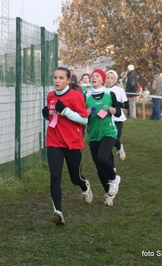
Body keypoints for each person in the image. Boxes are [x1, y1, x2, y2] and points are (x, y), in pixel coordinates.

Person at [42, 67, 93, 226]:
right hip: (54, 141)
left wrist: (65, 111)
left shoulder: (76, 96)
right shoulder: (50, 96)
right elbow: (53, 117)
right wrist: (46, 115)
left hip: (72, 143)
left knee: (74, 177)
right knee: (55, 176)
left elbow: (84, 120)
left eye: (61, 78)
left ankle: (85, 186)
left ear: (68, 80)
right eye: (55, 77)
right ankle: (58, 211)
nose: (57, 80)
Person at [86, 69, 121, 206]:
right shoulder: (86, 96)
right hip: (94, 134)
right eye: (92, 76)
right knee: (99, 167)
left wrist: (114, 110)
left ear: (103, 80)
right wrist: (86, 114)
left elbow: (118, 111)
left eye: (97, 76)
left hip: (109, 131)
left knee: (102, 157)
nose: (94, 77)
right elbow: (82, 118)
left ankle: (114, 178)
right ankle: (109, 194)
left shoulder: (110, 94)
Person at [105, 70, 128, 166]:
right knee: (108, 146)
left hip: (118, 119)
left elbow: (126, 105)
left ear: (115, 79)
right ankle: (112, 167)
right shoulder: (102, 90)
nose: (110, 80)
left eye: (112, 78)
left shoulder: (120, 90)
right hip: (106, 119)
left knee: (115, 140)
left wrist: (114, 103)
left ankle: (119, 147)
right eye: (108, 78)